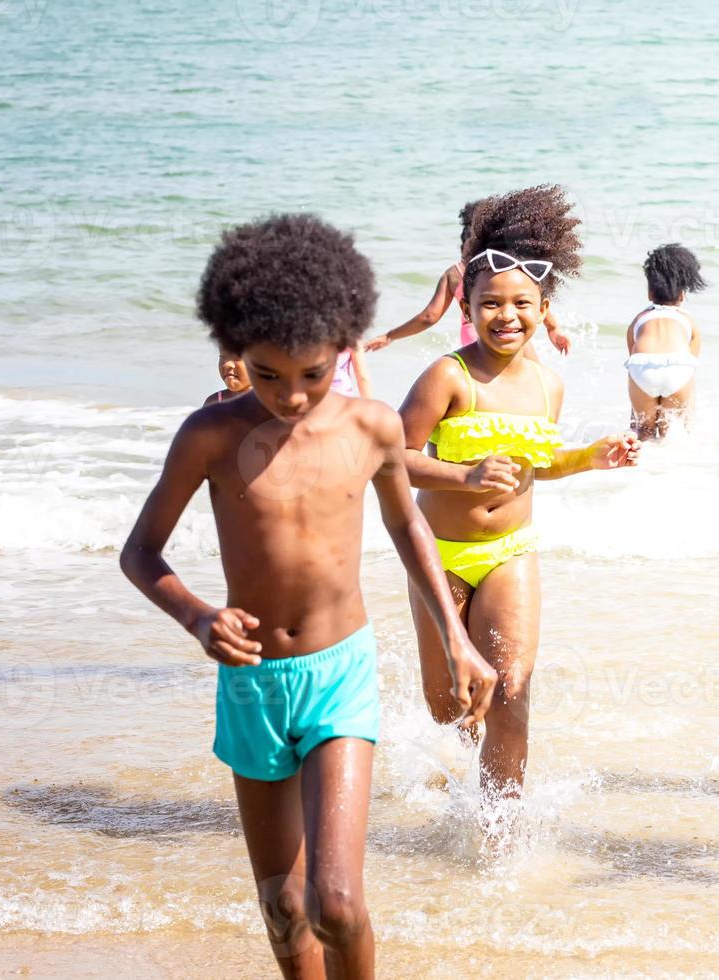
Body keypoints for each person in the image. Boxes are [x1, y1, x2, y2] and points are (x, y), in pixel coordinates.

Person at [121, 214, 497, 978]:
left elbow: (407, 530)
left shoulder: (371, 427)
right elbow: (140, 551)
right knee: (283, 906)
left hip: (338, 673)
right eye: (266, 374)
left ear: (345, 350)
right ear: (235, 355)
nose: (289, 396)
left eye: (311, 375)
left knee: (336, 901)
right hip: (252, 682)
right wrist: (196, 616)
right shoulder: (209, 436)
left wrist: (456, 639)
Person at [397, 185, 640, 806]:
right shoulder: (447, 376)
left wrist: (591, 457)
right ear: (468, 307)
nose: (507, 316)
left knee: (510, 689)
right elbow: (388, 459)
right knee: (449, 706)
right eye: (491, 305)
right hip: (441, 555)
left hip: (511, 551)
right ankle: (460, 772)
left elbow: (538, 465)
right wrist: (462, 477)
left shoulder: (547, 386)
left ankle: (500, 834)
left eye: (521, 304)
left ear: (542, 306)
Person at [365, 198, 570, 362]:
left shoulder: (454, 273)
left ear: (465, 243)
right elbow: (532, 304)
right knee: (535, 385)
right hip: (514, 335)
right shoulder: (511, 268)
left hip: (476, 336)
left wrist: (390, 336)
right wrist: (554, 330)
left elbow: (429, 316)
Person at [624, 243, 705, 439]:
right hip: (679, 367)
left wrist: (636, 419)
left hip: (642, 366)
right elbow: (690, 369)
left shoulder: (638, 320)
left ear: (650, 293)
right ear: (682, 294)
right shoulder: (689, 322)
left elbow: (634, 359)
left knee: (643, 433)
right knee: (675, 435)